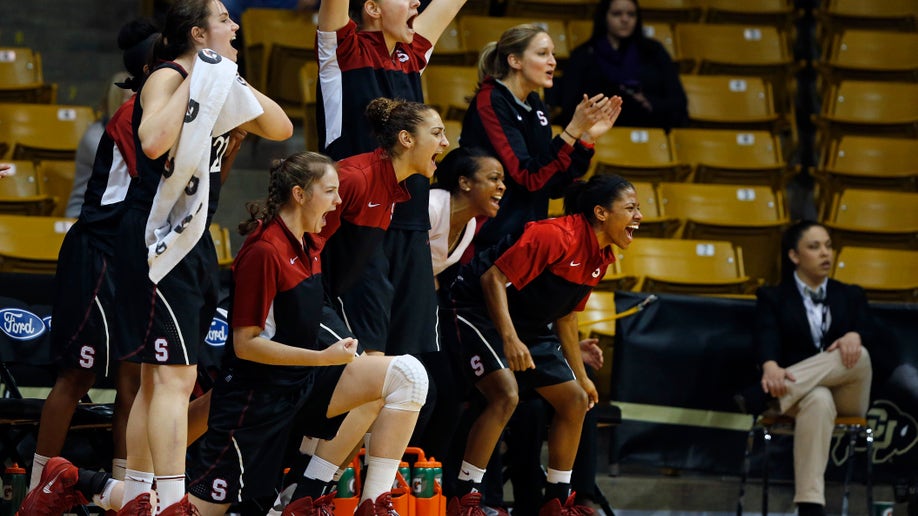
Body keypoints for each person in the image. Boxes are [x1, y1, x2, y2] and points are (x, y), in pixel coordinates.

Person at [112, 0, 293, 513]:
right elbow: (152, 143)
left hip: (192, 237)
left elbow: (280, 127)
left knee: (159, 380)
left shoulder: (220, 81)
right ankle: (172, 500)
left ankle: (138, 495)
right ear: (197, 33)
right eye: (223, 19)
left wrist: (223, 75)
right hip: (157, 235)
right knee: (174, 378)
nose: (235, 25)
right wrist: (197, 73)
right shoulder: (166, 76)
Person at [183, 151, 427, 516]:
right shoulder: (264, 251)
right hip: (256, 404)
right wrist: (322, 358)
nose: (339, 201)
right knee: (197, 511)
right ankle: (111, 488)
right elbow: (245, 345)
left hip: (299, 387)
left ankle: (353, 500)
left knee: (408, 376)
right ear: (299, 194)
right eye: (330, 191)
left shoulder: (311, 243)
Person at [270, 97, 443, 515]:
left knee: (378, 387)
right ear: (407, 139)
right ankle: (307, 488)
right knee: (389, 378)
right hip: (299, 295)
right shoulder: (353, 177)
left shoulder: (393, 186)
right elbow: (298, 236)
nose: (445, 142)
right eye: (437, 133)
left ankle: (311, 488)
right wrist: (297, 301)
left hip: (325, 299)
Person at [19, 19, 160, 516]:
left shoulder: (161, 112)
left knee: (132, 385)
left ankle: (126, 496)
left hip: (133, 259)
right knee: (77, 377)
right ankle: (36, 489)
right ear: (152, 68)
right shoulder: (131, 115)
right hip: (97, 254)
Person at [439, 174, 642, 516]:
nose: (639, 216)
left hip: (528, 326)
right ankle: (465, 497)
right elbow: (492, 279)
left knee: (576, 400)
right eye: (631, 208)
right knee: (506, 395)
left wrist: (582, 377)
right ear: (601, 213)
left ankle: (555, 501)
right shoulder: (554, 235)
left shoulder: (601, 257)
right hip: (476, 309)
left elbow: (567, 318)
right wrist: (509, 338)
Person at [739, 220, 874, 516]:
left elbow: (879, 337)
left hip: (847, 392)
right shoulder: (773, 297)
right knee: (819, 398)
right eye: (814, 247)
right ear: (794, 256)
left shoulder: (851, 295)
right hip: (802, 399)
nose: (825, 253)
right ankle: (810, 506)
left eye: (828, 246)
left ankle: (770, 391)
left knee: (860, 353)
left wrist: (855, 334)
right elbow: (765, 334)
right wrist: (770, 366)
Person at [460, 23, 622, 253]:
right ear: (515, 61)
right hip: (485, 240)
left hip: (525, 237)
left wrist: (585, 139)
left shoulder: (536, 104)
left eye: (553, 54)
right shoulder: (491, 101)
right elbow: (528, 176)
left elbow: (552, 184)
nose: (553, 62)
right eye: (542, 54)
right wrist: (572, 130)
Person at [558, 0, 687, 130]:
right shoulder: (584, 54)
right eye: (617, 14)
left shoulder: (654, 51)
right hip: (597, 130)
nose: (625, 19)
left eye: (631, 14)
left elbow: (678, 102)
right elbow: (570, 105)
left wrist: (648, 102)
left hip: (649, 126)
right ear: (604, 17)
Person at [428, 146, 505, 287]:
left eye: (502, 180)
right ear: (464, 183)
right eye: (494, 178)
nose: (502, 187)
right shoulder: (431, 207)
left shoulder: (470, 224)